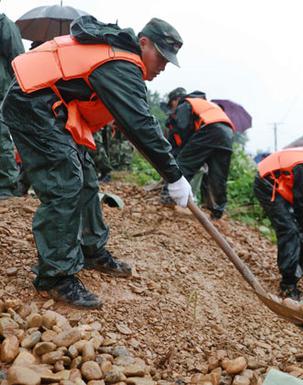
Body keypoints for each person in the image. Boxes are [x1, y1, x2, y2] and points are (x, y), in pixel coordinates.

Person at [1, 16, 192, 308]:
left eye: (169, 60)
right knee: (65, 182)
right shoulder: (121, 63)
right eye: (161, 56)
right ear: (143, 43)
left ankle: (91, 250)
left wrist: (171, 174)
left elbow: (131, 124)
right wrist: (174, 175)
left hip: (54, 108)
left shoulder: (119, 59)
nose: (163, 65)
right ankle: (56, 276)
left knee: (87, 179)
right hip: (31, 104)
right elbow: (140, 124)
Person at [254, 147, 303, 299]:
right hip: (268, 183)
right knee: (289, 230)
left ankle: (298, 266)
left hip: (284, 183)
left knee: (298, 228)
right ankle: (288, 283)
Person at [160, 88, 234, 219]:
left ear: (176, 100)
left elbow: (182, 129)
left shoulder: (185, 103)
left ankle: (168, 197)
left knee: (184, 163)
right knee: (217, 175)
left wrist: (180, 152)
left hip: (210, 129)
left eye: (172, 104)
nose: (173, 110)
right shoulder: (206, 104)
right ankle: (217, 210)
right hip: (227, 133)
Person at [0, 13, 24, 199]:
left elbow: (17, 59)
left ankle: (7, 187)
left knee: (1, 138)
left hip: (2, 91)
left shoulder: (5, 25)